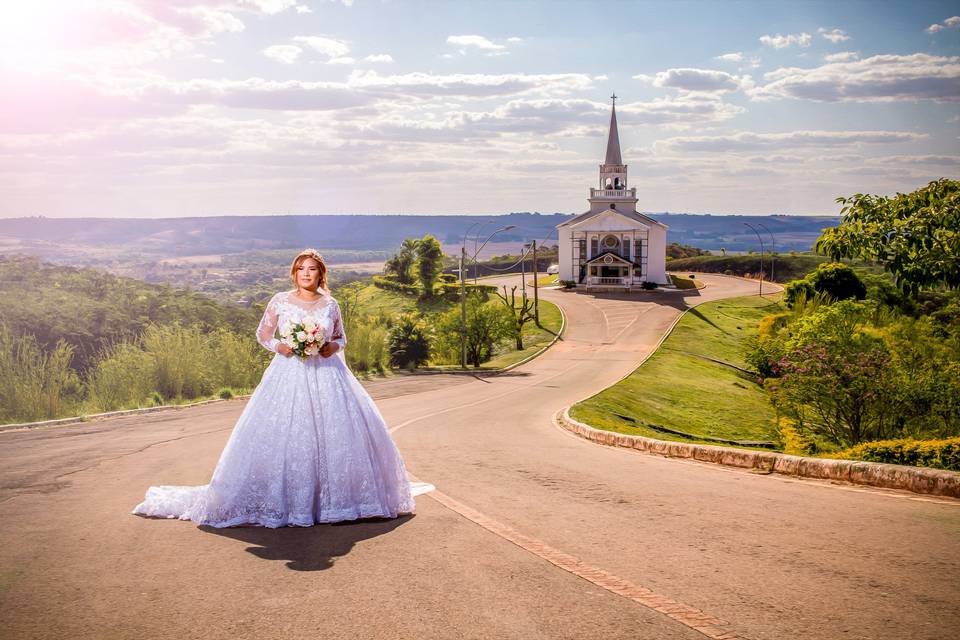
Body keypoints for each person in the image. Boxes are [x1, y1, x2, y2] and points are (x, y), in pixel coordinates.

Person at [132, 249, 433, 528]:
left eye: (312, 269)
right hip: (288, 372)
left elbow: (343, 339)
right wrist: (280, 346)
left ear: (320, 274)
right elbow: (262, 333)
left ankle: (336, 502)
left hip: (328, 373)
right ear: (294, 273)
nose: (306, 274)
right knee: (289, 434)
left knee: (336, 435)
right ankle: (292, 501)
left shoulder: (331, 304)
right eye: (301, 269)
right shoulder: (280, 300)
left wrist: (330, 346)